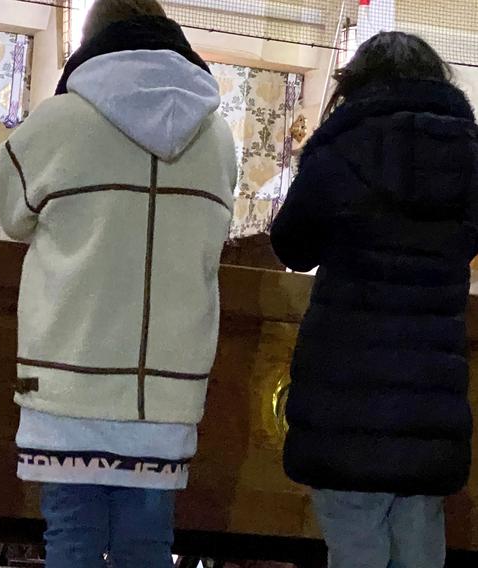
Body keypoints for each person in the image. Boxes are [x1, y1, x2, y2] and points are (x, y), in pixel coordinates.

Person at [0, 1, 237, 566]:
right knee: (147, 546)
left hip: (67, 374)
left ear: (91, 38)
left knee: (72, 540)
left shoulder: (54, 124)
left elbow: (10, 214)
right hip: (166, 388)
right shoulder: (218, 137)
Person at [271, 32, 478, 568]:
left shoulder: (340, 148)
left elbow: (292, 247)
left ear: (356, 84)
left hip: (345, 390)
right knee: (418, 540)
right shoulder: (470, 157)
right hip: (429, 395)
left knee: (355, 537)